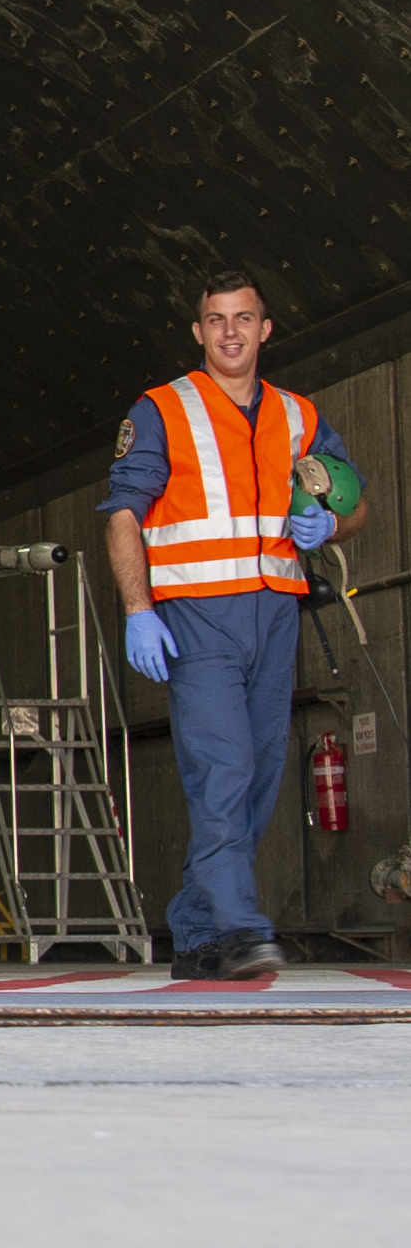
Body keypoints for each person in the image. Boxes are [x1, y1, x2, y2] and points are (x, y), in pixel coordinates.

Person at [100, 272, 366, 980]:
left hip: (275, 612)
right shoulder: (163, 408)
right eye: (216, 319)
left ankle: (196, 930)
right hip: (197, 616)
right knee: (224, 767)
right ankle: (240, 927)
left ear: (265, 328)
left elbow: (354, 498)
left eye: (243, 318)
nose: (230, 332)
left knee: (259, 778)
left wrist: (330, 524)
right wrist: (138, 609)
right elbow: (123, 513)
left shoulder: (298, 415)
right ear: (198, 331)